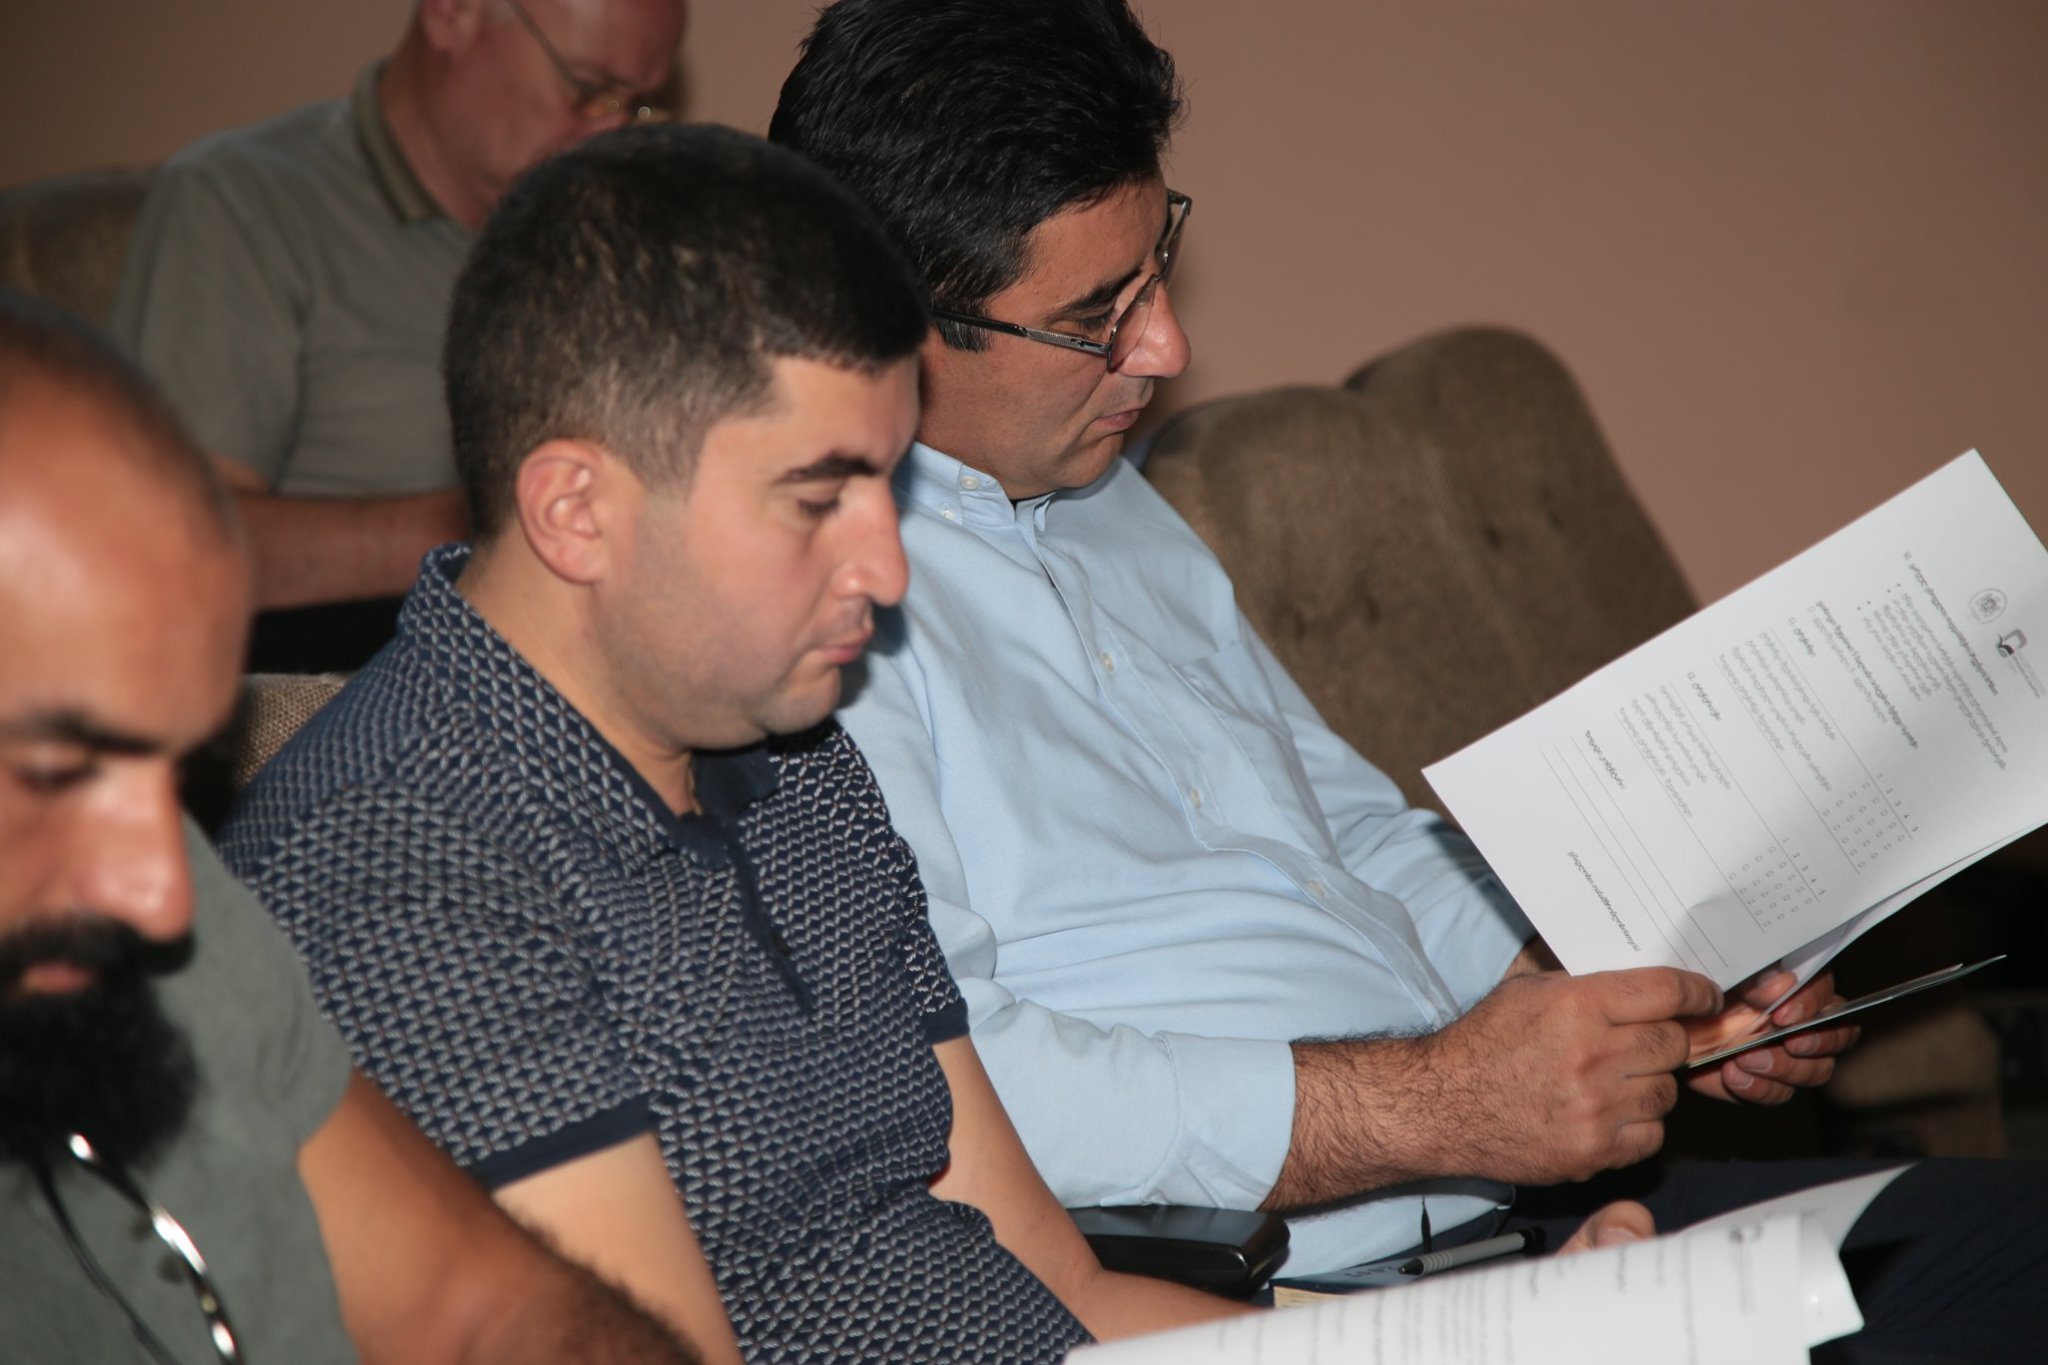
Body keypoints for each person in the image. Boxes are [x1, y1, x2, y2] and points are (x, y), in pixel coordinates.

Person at [770, 0, 2048, 1354]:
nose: (1166, 349)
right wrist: (1436, 1105)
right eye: (1098, 315)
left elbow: (1358, 842)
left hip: (1502, 1222)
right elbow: (946, 1086)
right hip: (1260, 1295)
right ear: (885, 318)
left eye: (1157, 269)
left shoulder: (1109, 501)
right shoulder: (809, 618)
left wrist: (1626, 985)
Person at [217, 123, 1267, 1363]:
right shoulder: (406, 865)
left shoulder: (796, 760)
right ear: (575, 510)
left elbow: (1065, 1290)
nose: (885, 572)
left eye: (888, 487)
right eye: (817, 501)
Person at [0, 289, 708, 1363]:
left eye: (181, 778)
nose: (166, 893)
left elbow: (475, 1302)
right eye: (58, 773)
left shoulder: (158, 930)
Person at [110, 0, 686, 670]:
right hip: (351, 675)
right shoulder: (240, 203)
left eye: (637, 106)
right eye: (588, 88)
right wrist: (506, 525)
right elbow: (167, 543)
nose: (610, 130)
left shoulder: (608, 239)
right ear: (452, 14)